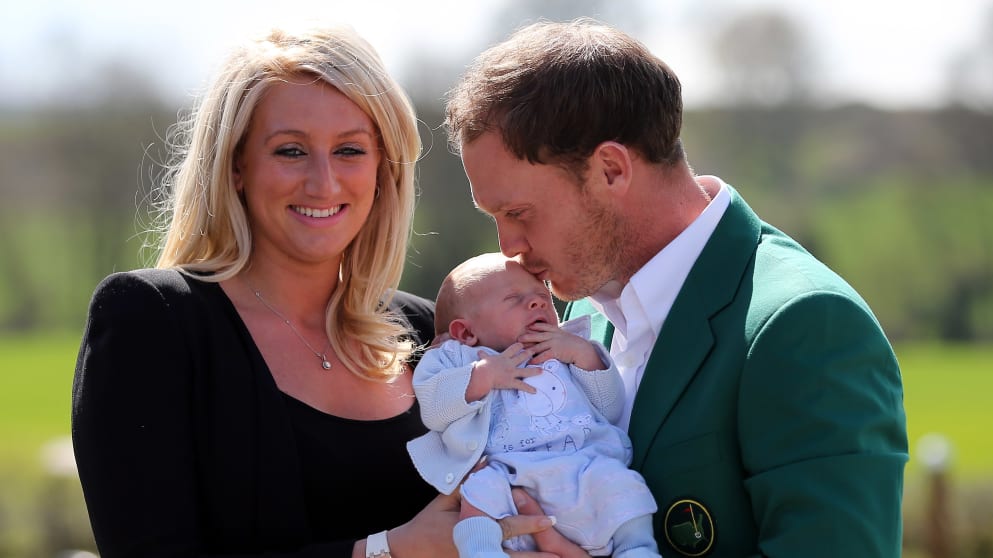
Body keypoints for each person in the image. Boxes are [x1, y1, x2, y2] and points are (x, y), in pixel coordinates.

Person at [71, 24, 556, 558]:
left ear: (382, 169)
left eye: (349, 150)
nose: (323, 183)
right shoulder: (152, 321)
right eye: (290, 151)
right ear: (236, 166)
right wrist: (386, 551)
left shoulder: (431, 332)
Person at [444, 18, 908, 558]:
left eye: (519, 212)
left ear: (611, 169)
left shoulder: (806, 325)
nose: (508, 248)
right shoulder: (576, 313)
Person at [407, 253, 661, 558]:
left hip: (583, 467)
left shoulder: (564, 346)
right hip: (511, 475)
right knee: (478, 492)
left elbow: (611, 408)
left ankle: (636, 548)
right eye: (514, 298)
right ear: (467, 333)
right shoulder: (458, 359)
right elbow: (433, 409)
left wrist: (584, 355)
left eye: (543, 296)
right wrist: (482, 376)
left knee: (623, 486)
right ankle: (480, 550)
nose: (537, 303)